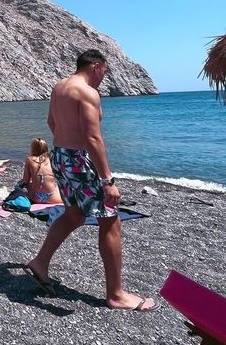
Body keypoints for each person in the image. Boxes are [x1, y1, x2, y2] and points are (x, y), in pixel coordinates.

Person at [25, 49, 157, 311]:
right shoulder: (87, 92)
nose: (103, 78)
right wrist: (107, 180)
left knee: (74, 214)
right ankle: (116, 295)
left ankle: (39, 263)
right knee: (111, 220)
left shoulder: (60, 87)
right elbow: (93, 138)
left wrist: (66, 145)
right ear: (97, 66)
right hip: (77, 160)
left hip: (60, 156)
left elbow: (52, 122)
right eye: (104, 72)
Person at [21, 138, 62, 205]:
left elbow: (25, 181)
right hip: (53, 198)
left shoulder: (29, 159)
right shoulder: (52, 159)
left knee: (27, 185)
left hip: (36, 198)